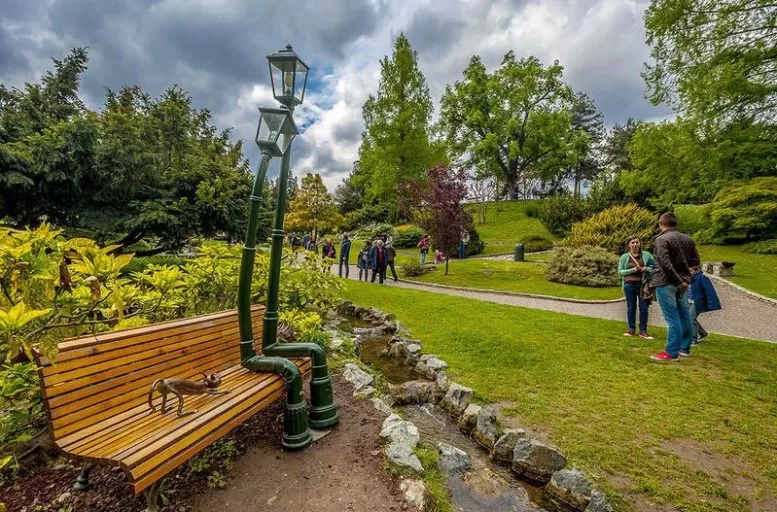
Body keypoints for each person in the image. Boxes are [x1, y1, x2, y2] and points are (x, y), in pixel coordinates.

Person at [650, 212, 700, 361]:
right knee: (684, 315)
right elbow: (695, 263)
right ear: (675, 224)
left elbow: (665, 263)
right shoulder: (688, 240)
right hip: (683, 283)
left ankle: (671, 352)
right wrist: (685, 280)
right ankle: (685, 348)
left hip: (666, 282)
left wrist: (678, 281)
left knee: (672, 317)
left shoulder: (662, 239)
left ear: (661, 224)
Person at [618, 236, 655, 339]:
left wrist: (645, 268)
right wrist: (633, 270)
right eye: (632, 242)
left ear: (640, 243)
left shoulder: (647, 255)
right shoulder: (624, 257)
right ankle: (631, 329)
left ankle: (643, 331)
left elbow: (654, 268)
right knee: (631, 308)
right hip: (629, 285)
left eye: (637, 242)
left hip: (643, 285)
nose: (635, 244)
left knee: (644, 308)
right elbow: (620, 272)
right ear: (629, 245)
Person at [689, 267, 721, 344]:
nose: (689, 272)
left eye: (690, 271)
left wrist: (711, 303)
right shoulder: (689, 278)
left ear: (697, 270)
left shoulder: (702, 278)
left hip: (697, 302)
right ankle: (702, 333)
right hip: (688, 301)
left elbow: (710, 291)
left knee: (690, 318)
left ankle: (693, 339)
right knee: (691, 318)